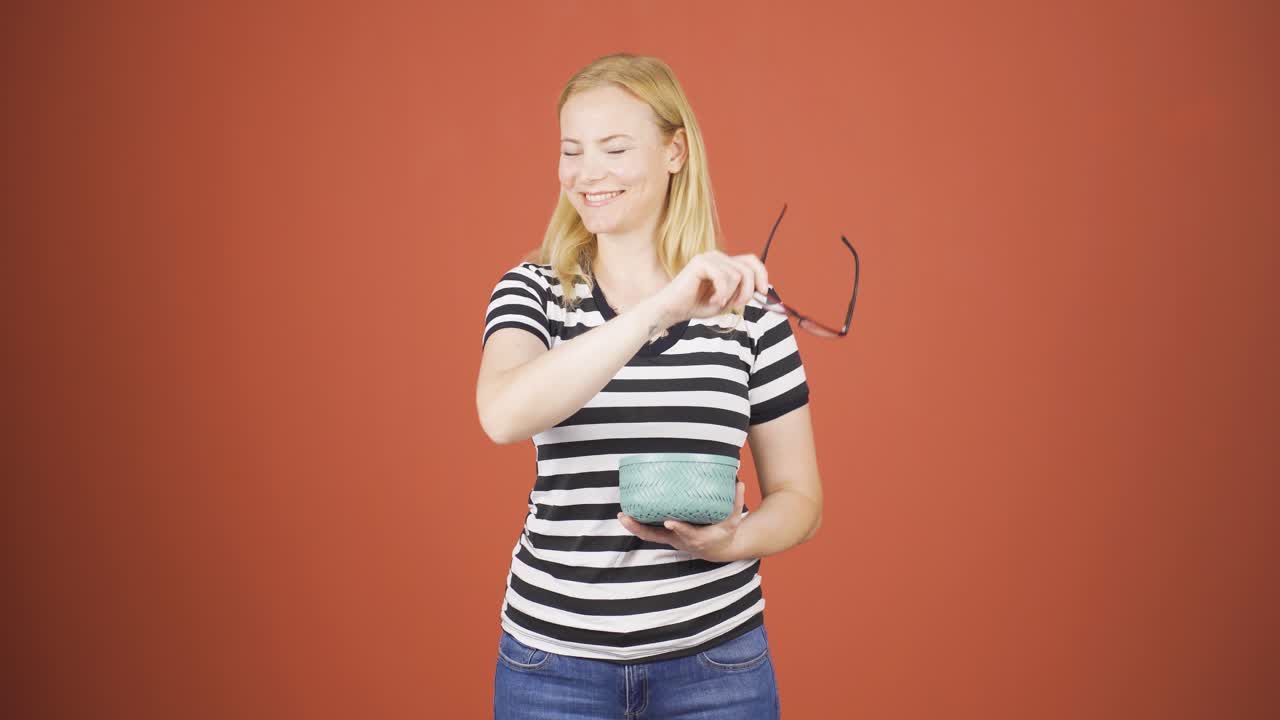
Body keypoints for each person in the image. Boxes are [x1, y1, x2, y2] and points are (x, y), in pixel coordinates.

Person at [477, 52, 823, 719]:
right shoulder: (532, 292)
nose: (587, 173)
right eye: (571, 150)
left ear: (675, 151)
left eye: (613, 148)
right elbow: (502, 415)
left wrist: (732, 541)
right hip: (553, 670)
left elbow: (801, 499)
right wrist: (659, 309)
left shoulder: (749, 308)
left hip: (718, 668)